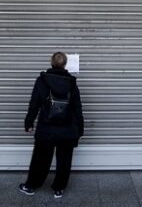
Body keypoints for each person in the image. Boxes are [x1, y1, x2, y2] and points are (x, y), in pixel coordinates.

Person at [19, 52, 84, 199]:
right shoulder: (72, 82)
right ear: (65, 64)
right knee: (64, 160)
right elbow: (77, 108)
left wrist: (29, 123)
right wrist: (80, 129)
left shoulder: (42, 81)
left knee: (40, 159)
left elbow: (34, 104)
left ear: (51, 62)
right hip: (67, 129)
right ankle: (58, 189)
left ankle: (31, 186)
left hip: (46, 129)